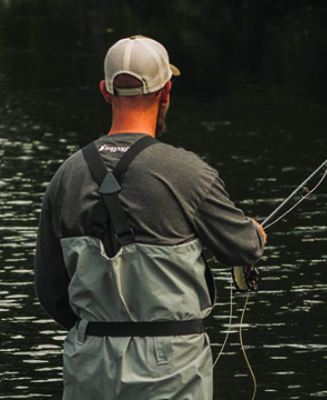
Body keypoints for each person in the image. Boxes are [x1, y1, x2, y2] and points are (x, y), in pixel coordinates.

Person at [34, 35, 266, 399]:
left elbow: (51, 293)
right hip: (170, 368)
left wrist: (101, 332)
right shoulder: (188, 173)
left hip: (89, 363)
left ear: (105, 92)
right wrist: (253, 233)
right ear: (166, 92)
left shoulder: (65, 177)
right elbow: (245, 248)